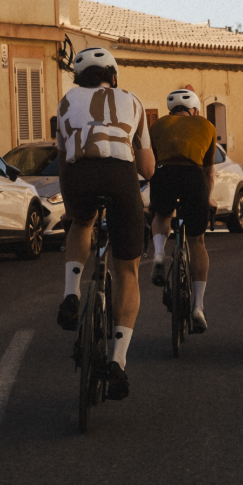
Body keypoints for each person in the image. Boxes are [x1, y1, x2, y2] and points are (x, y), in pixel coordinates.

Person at [53, 46, 154, 400]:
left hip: (79, 174)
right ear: (113, 77)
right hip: (120, 175)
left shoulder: (66, 101)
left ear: (78, 79)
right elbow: (147, 169)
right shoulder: (133, 101)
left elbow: (63, 160)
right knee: (127, 270)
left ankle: (71, 293)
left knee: (82, 224)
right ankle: (117, 362)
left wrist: (72, 207)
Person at [147, 87, 217, 334]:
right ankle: (198, 306)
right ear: (195, 110)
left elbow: (152, 160)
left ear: (171, 111)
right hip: (193, 176)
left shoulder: (158, 125)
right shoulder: (206, 126)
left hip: (164, 173)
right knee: (197, 241)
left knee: (161, 215)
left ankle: (158, 254)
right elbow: (208, 171)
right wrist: (209, 199)